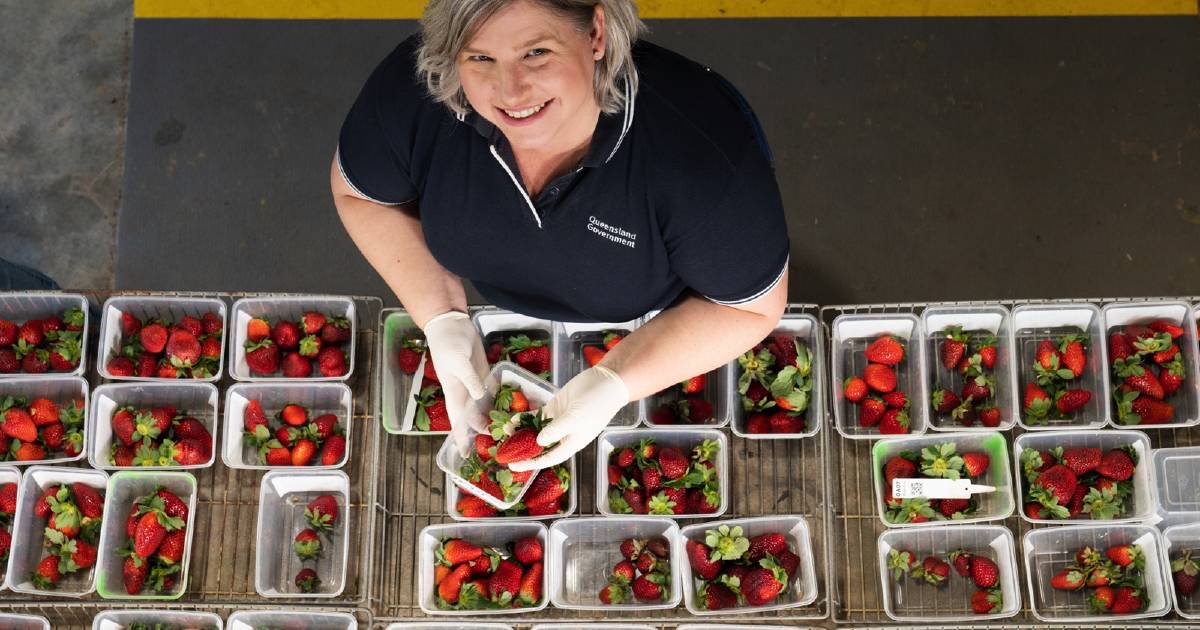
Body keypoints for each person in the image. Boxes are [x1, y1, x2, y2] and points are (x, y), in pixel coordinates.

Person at [332, 0, 789, 470]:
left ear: (595, 32)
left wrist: (617, 379)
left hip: (658, 320)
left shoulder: (699, 157)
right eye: (480, 58)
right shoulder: (417, 95)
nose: (509, 91)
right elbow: (361, 196)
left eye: (535, 53)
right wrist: (442, 316)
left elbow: (750, 306)